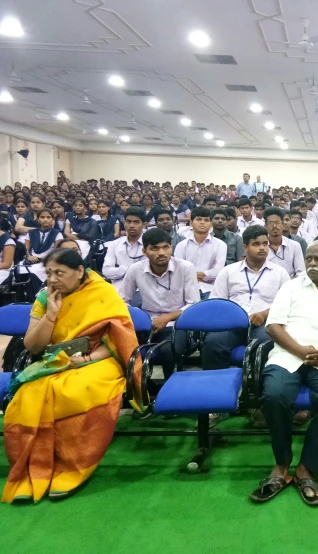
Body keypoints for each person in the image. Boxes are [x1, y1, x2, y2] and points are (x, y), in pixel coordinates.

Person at [2, 249, 141, 503]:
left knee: (76, 390)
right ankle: (34, 469)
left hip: (101, 360)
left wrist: (86, 360)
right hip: (55, 361)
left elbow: (117, 341)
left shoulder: (102, 293)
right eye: (49, 273)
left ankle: (73, 467)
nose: (52, 279)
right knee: (28, 394)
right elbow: (33, 347)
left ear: (79, 272)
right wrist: (51, 315)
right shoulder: (45, 298)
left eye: (60, 273)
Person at [250, 242, 318, 506]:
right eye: (309, 258)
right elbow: (273, 326)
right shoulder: (290, 288)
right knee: (275, 394)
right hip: (288, 355)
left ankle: (308, 468)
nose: (312, 263)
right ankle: (281, 464)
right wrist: (300, 351)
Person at [121, 228, 200, 392]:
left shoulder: (185, 267)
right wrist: (141, 319)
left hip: (178, 325)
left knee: (168, 349)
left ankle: (173, 391)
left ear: (171, 248)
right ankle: (145, 392)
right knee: (125, 347)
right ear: (144, 251)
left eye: (165, 247)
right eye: (154, 248)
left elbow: (194, 305)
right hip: (147, 325)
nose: (162, 252)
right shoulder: (135, 270)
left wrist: (167, 317)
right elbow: (122, 302)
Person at [203, 225, 290, 370]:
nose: (262, 248)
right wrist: (233, 317)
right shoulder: (228, 272)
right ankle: (219, 386)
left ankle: (259, 387)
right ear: (245, 247)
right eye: (256, 244)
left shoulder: (280, 273)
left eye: (264, 244)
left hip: (264, 323)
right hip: (232, 324)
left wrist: (264, 314)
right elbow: (217, 302)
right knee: (213, 342)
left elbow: (287, 305)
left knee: (266, 342)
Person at [174, 206, 227, 299]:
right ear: (191, 223)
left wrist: (190, 275)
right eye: (198, 219)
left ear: (210, 224)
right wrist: (206, 276)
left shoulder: (220, 245)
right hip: (185, 289)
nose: (202, 222)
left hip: (210, 289)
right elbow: (179, 272)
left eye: (206, 220)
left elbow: (218, 271)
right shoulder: (181, 246)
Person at [103, 207, 146, 295]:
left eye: (136, 222)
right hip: (118, 288)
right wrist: (128, 270)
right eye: (128, 221)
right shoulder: (115, 244)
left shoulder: (151, 244)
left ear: (144, 225)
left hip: (143, 289)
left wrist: (119, 270)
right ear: (124, 222)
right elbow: (106, 270)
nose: (131, 225)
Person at [262, 207, 305, 278]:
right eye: (271, 223)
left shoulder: (294, 246)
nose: (275, 226)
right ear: (265, 226)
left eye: (277, 223)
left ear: (283, 224)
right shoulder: (262, 247)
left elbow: (300, 272)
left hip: (290, 285)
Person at [23, 209, 62, 281]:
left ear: (52, 219)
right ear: (38, 219)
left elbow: (57, 252)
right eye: (42, 217)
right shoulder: (31, 232)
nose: (45, 219)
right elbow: (26, 249)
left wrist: (41, 259)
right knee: (18, 270)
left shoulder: (57, 233)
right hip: (31, 260)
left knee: (35, 271)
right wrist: (29, 256)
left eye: (48, 217)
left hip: (47, 261)